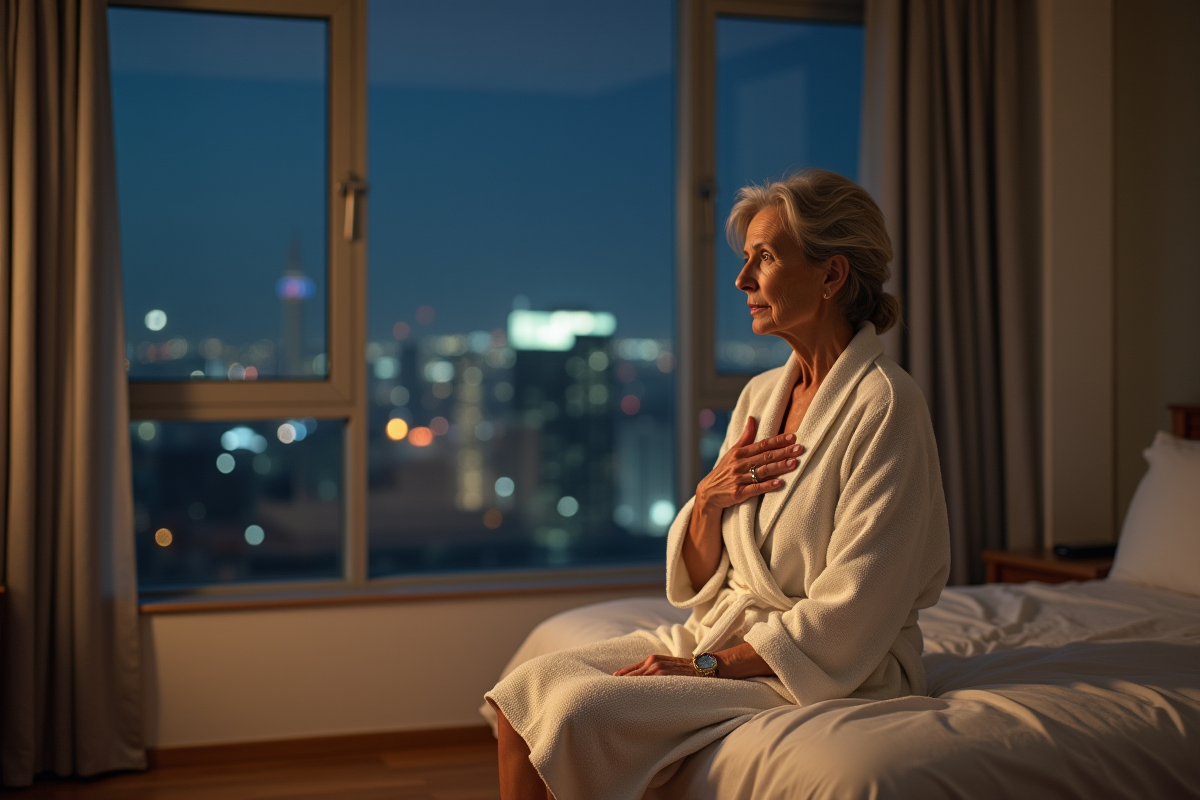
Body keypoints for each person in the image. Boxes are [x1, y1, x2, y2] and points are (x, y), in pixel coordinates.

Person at [485, 169, 951, 800]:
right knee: (521, 695)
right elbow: (708, 575)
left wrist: (704, 666)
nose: (742, 280)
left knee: (577, 712)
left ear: (832, 275)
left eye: (765, 258)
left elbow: (856, 608)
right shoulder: (762, 394)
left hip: (828, 667)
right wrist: (707, 500)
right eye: (746, 259)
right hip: (733, 636)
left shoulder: (886, 405)